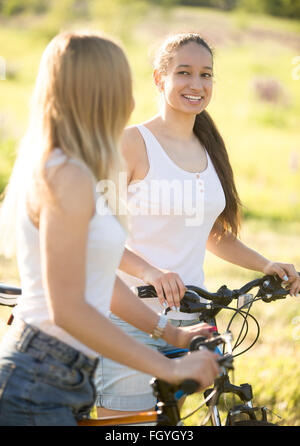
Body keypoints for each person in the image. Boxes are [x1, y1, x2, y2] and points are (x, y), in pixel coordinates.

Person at [0, 31, 221, 426]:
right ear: (98, 90)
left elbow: (96, 278)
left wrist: (170, 335)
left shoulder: (77, 167)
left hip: (61, 374)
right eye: (123, 83)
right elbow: (67, 308)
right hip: (39, 377)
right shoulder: (65, 173)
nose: (132, 98)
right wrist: (166, 367)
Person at [95, 32, 300, 417]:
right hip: (129, 320)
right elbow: (96, 233)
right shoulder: (130, 143)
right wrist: (150, 271)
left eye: (206, 75)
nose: (197, 84)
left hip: (194, 322)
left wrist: (265, 264)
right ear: (159, 78)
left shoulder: (209, 149)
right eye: (184, 72)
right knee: (126, 425)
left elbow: (209, 233)